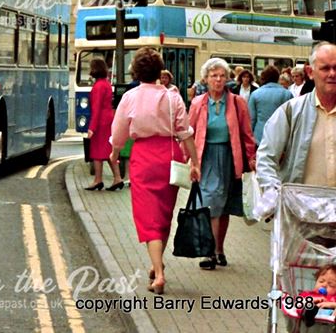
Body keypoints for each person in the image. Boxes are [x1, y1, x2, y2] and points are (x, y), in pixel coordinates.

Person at [110, 47, 200, 295]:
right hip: (170, 156)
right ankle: (156, 263)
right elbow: (186, 133)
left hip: (144, 158)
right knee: (163, 214)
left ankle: (159, 274)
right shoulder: (173, 97)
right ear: (159, 70)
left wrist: (115, 154)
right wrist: (195, 162)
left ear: (136, 72)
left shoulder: (130, 97)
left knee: (147, 216)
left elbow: (118, 134)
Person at [187, 57, 257, 271]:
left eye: (221, 76)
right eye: (213, 76)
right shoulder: (198, 103)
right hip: (205, 158)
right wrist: (187, 160)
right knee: (210, 203)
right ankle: (208, 251)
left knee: (223, 205)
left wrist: (252, 158)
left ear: (227, 79)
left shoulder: (237, 102)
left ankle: (219, 249)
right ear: (205, 79)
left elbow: (246, 133)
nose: (218, 80)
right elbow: (188, 133)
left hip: (229, 157)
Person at [256, 42, 336, 222]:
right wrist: (274, 193)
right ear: (310, 72)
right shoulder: (291, 112)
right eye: (325, 68)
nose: (332, 74)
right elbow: (266, 157)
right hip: (301, 218)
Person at [85, 58, 123, 191]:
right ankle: (117, 178)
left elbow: (96, 108)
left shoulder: (98, 86)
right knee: (108, 151)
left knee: (96, 152)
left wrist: (91, 127)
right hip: (108, 120)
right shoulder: (106, 84)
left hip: (100, 122)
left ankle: (98, 179)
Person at [247, 65, 293, 144]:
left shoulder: (255, 94)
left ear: (263, 77)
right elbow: (291, 119)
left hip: (260, 137)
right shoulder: (287, 94)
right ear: (277, 77)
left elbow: (251, 119)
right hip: (280, 138)